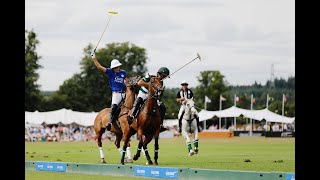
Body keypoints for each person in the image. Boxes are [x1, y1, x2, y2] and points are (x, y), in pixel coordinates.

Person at [91, 51, 127, 131]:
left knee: (134, 104)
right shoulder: (110, 72)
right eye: (116, 67)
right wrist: (94, 59)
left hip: (125, 93)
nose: (117, 68)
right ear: (113, 68)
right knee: (114, 106)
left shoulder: (123, 72)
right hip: (116, 94)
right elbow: (100, 67)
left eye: (118, 67)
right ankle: (109, 122)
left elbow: (126, 81)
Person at [127, 67, 170, 131]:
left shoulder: (161, 82)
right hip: (143, 93)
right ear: (159, 74)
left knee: (162, 106)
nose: (164, 78)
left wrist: (160, 92)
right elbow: (140, 83)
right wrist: (150, 85)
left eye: (165, 77)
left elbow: (159, 94)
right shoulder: (150, 76)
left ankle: (160, 124)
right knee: (138, 101)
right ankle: (132, 116)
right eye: (164, 76)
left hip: (152, 97)